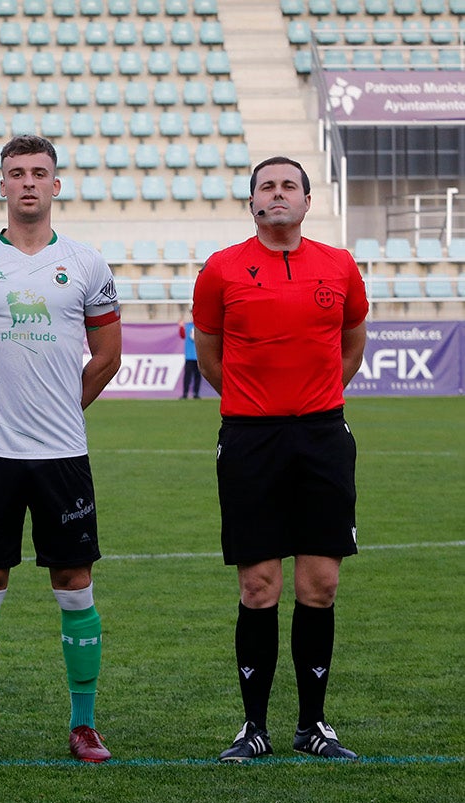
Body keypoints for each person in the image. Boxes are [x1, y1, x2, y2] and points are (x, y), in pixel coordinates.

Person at [0, 134, 123, 765]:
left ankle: (85, 725)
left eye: (40, 173)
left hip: (64, 455)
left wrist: (64, 409)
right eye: (17, 174)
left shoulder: (89, 263)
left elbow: (109, 354)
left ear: (56, 185)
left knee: (74, 580)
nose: (29, 184)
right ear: (3, 185)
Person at [192, 156, 368, 763]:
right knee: (258, 584)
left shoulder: (339, 265)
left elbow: (352, 341)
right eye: (266, 186)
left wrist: (316, 400)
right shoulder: (221, 269)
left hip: (321, 438)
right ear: (252, 203)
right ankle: (254, 726)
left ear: (306, 200)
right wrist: (255, 404)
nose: (278, 194)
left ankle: (314, 726)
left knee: (319, 585)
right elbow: (210, 355)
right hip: (250, 439)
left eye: (288, 185)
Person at [180, 310, 201, 399]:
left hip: (199, 356)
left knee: (197, 376)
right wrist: (181, 327)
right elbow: (182, 335)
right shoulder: (187, 326)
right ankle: (185, 393)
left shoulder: (200, 327)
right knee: (187, 376)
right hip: (189, 356)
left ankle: (196, 393)